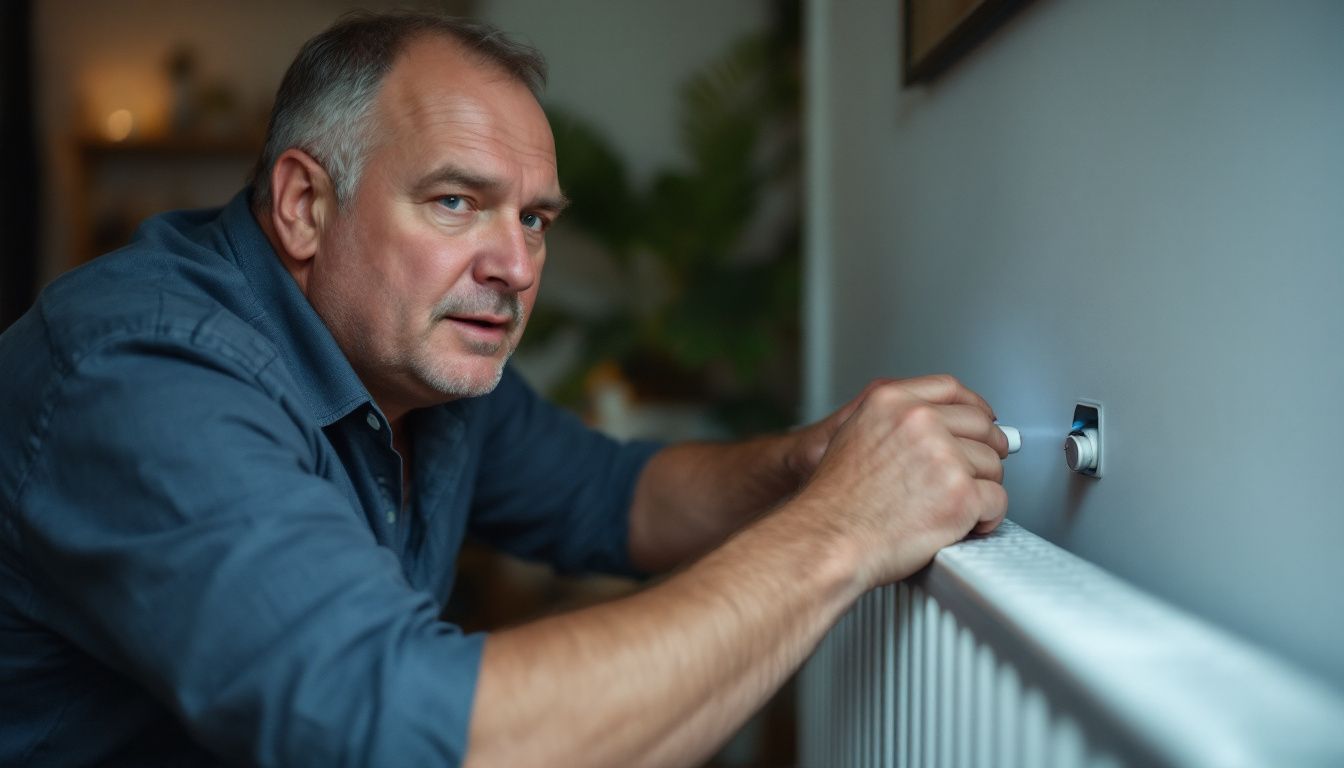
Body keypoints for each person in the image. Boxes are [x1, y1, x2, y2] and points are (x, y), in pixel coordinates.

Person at [0, 11, 1008, 767]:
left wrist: (806, 462)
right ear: (304, 205)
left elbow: (617, 497)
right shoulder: (143, 376)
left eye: (534, 219)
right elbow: (405, 728)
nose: (517, 266)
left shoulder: (416, 366)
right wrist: (842, 530)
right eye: (455, 202)